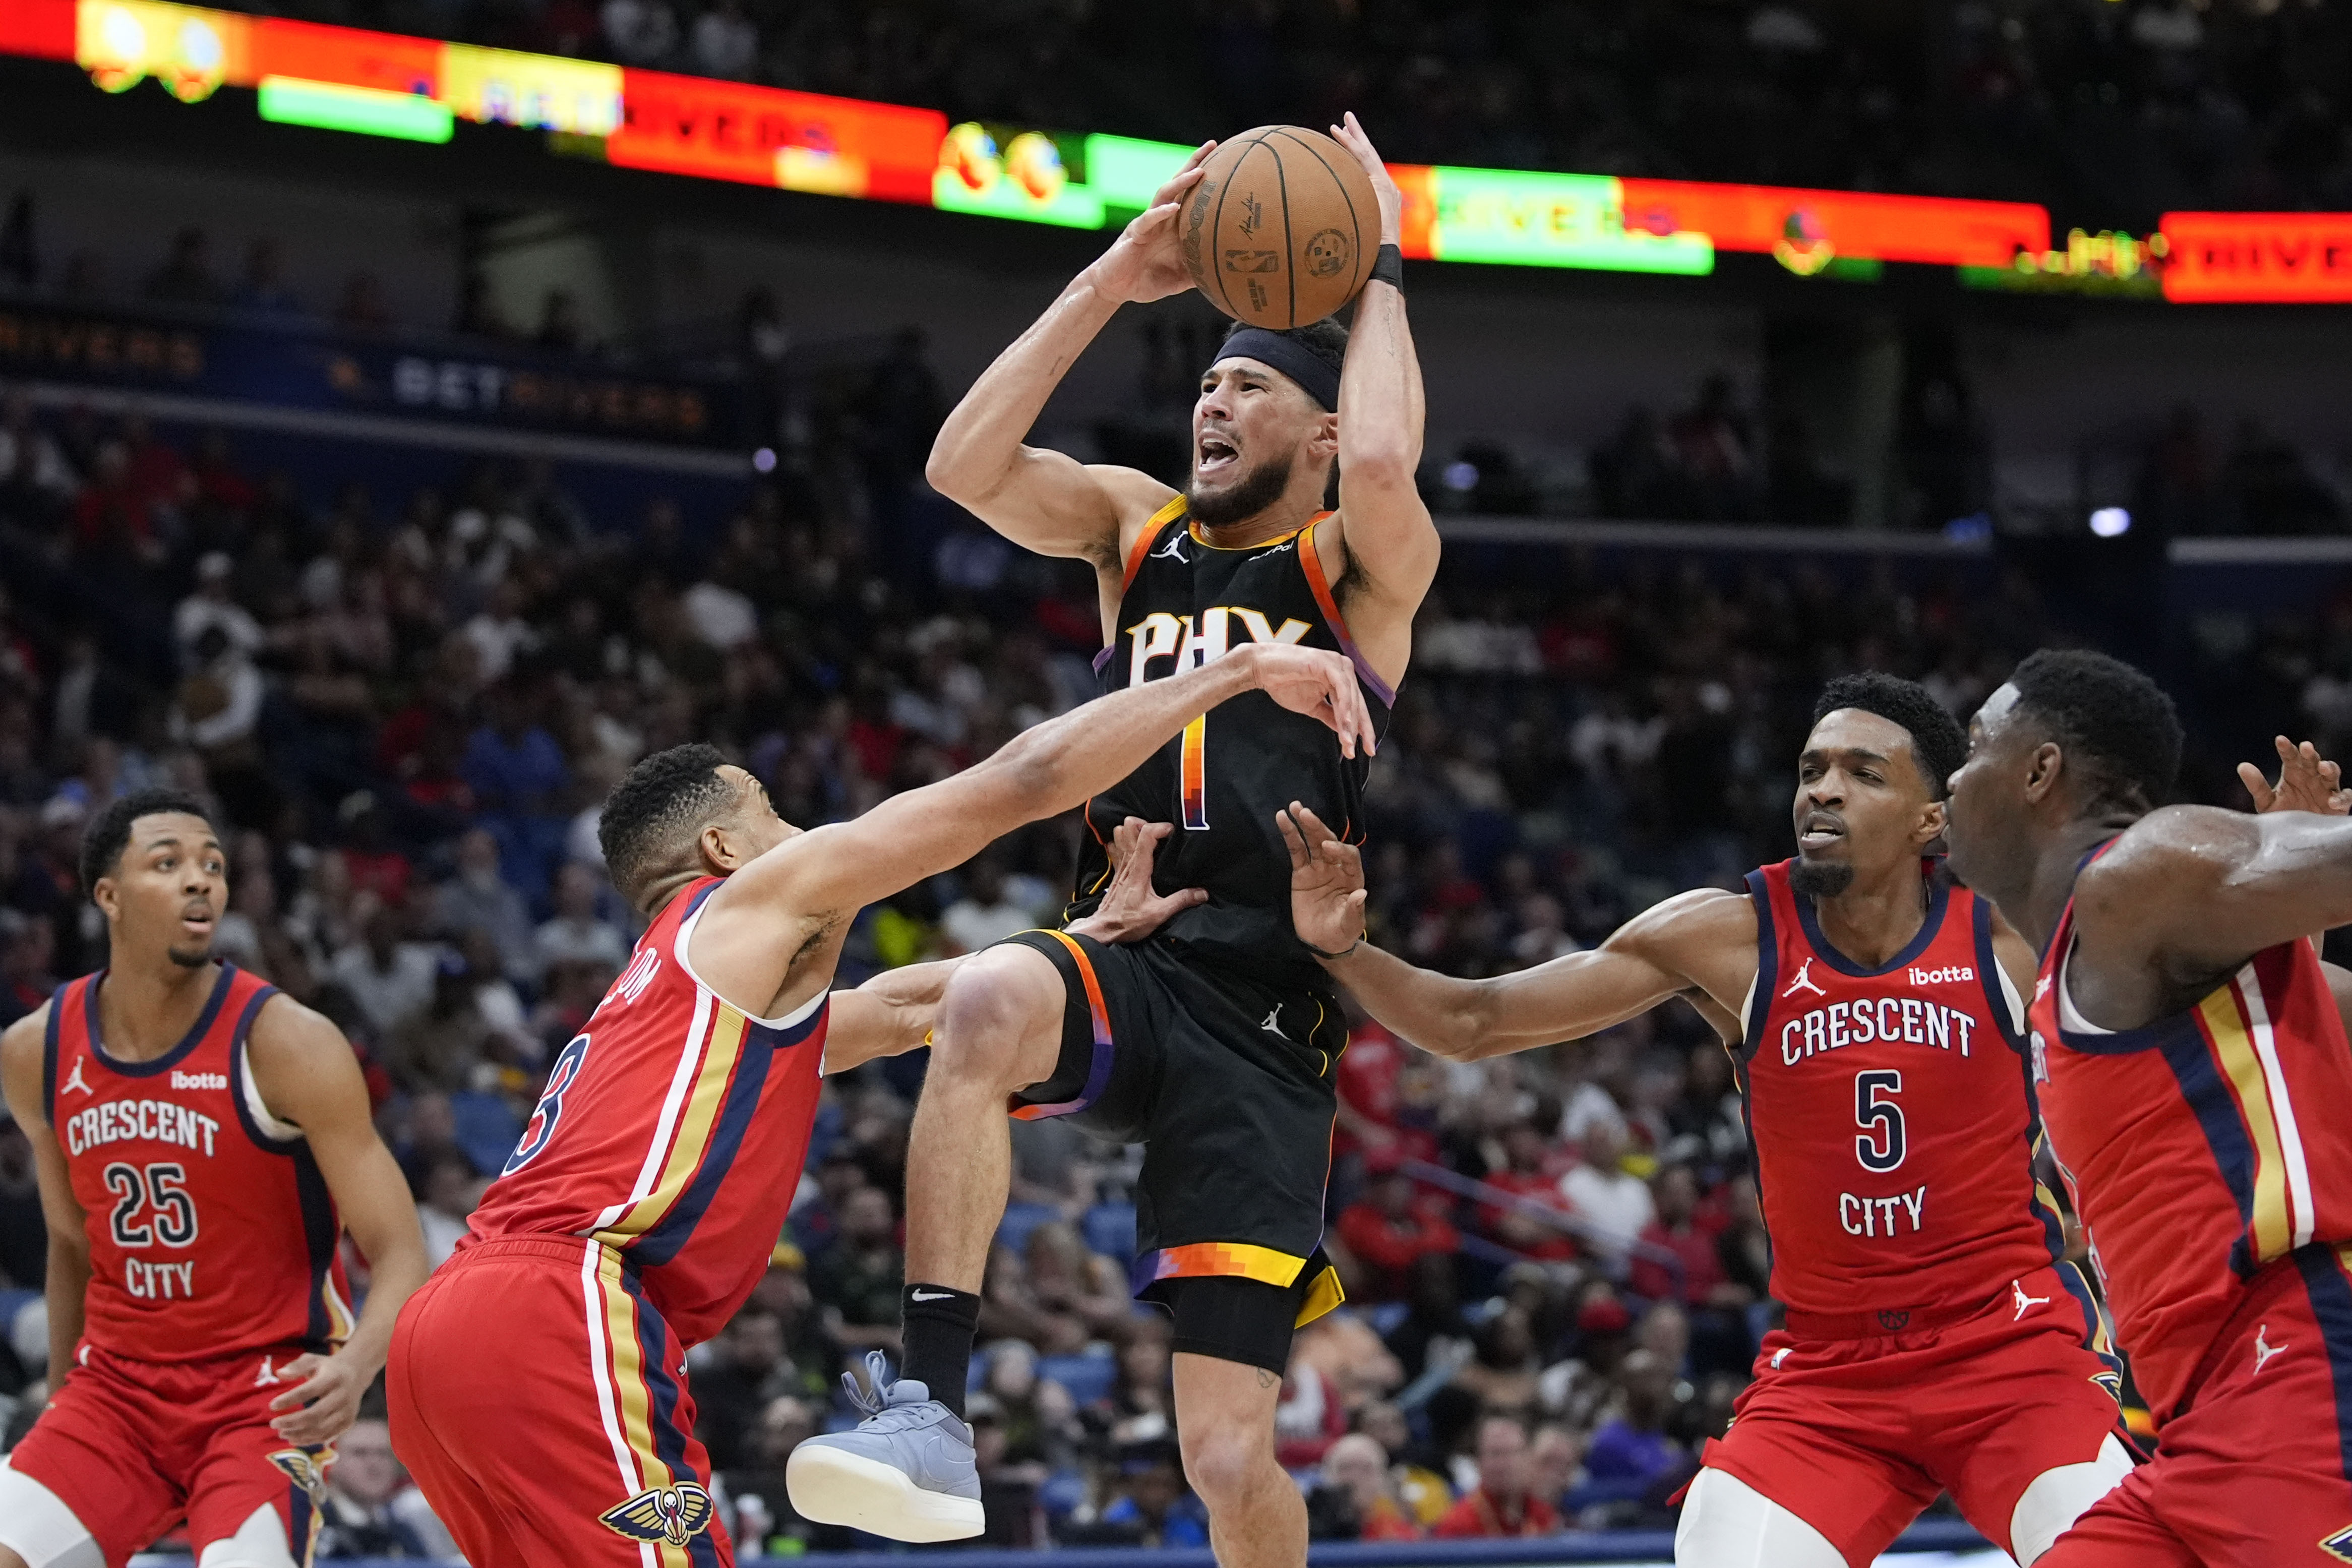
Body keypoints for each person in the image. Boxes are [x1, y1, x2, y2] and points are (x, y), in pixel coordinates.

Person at [792, 115, 1438, 1568]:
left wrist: (1380, 258)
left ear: (1318, 432)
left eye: (1252, 384)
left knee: (1223, 1454)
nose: (1213, 401)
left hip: (1267, 1015)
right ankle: (928, 1408)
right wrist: (1115, 273)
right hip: (1130, 945)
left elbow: (1392, 459)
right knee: (981, 994)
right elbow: (964, 465)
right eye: (1204, 381)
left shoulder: (1349, 563)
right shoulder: (1132, 532)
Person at [387, 637, 1374, 1567]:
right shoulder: (751, 903)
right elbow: (1022, 783)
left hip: (445, 1341)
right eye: (773, 807)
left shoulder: (672, 994)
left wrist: (1087, 943)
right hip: (560, 1305)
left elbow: (903, 1007)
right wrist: (1230, 673)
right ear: (728, 846)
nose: (802, 828)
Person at [1282, 673, 2144, 1567]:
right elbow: (1473, 1021)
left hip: (2012, 1348)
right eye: (1812, 769)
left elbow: (2189, 991)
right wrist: (1344, 948)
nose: (1823, 789)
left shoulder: (2012, 933)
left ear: (1933, 818)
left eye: (1863, 773)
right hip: (1830, 1371)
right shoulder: (1729, 937)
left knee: (2119, 1556)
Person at [1941, 651, 2352, 1566]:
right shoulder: (2089, 968)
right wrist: (2286, 908)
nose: (1953, 778)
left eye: (1971, 749)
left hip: (2303, 1369)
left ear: (2040, 772)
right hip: (2192, 1423)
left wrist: (2297, 863)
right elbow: (2308, 1035)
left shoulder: (2137, 876)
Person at [0, 789, 432, 1568]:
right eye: (168, 864)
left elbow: (400, 1247)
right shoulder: (36, 1048)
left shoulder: (287, 1042)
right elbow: (70, 1241)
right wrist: (63, 1396)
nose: (201, 880)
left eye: (214, 865)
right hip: (115, 1395)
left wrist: (355, 1363)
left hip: (262, 1398)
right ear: (109, 895)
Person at [1431, 1415, 1558, 1539]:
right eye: (1494, 1454)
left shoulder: (1543, 1516)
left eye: (1510, 1453)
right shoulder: (1458, 1525)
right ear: (1478, 1462)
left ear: (1528, 1458)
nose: (1502, 1465)